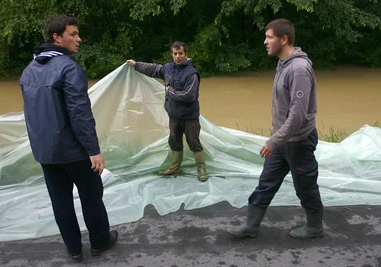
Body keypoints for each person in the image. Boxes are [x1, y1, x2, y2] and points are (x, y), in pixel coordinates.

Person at [20, 15, 118, 263]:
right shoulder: (69, 68)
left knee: (60, 201)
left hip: (46, 153)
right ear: (57, 37)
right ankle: (99, 242)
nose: (78, 39)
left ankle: (73, 249)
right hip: (74, 152)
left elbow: (32, 117)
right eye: (73, 34)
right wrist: (93, 150)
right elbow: (79, 114)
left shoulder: (29, 70)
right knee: (91, 196)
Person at [227, 19, 324, 239]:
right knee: (266, 181)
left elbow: (298, 115)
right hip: (282, 140)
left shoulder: (299, 69)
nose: (265, 41)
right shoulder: (283, 63)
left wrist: (274, 141)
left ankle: (315, 227)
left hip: (298, 140)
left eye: (269, 37)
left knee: (305, 185)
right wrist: (277, 139)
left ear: (284, 39)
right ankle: (251, 226)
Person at [125, 42, 208, 182]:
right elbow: (153, 69)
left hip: (189, 117)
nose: (177, 57)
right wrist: (136, 65)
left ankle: (201, 170)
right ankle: (175, 168)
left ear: (186, 54)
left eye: (180, 53)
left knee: (194, 142)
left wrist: (171, 92)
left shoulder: (192, 73)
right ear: (172, 54)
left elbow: (189, 96)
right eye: (175, 54)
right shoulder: (168, 68)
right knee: (174, 141)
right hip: (174, 115)